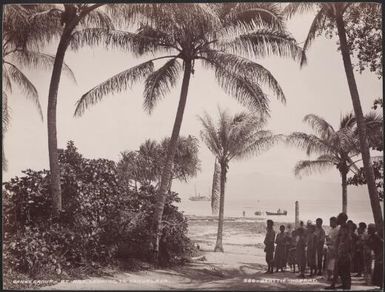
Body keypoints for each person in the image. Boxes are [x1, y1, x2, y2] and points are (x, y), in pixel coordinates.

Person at [326, 212, 352, 290]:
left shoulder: (346, 228)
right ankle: (338, 285)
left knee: (344, 270)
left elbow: (347, 240)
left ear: (342, 219)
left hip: (344, 252)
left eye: (339, 218)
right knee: (338, 269)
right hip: (340, 251)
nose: (337, 219)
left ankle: (346, 286)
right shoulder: (342, 227)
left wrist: (344, 251)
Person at [367, 224, 383, 288]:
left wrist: (380, 256)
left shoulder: (377, 237)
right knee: (377, 270)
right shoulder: (371, 237)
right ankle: (380, 285)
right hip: (377, 255)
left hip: (380, 255)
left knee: (379, 271)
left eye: (369, 229)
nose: (368, 230)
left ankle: (381, 286)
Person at [325, 217, 339, 281]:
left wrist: (329, 239)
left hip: (334, 248)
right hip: (329, 247)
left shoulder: (337, 230)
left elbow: (336, 240)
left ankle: (333, 276)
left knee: (333, 263)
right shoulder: (331, 229)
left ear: (335, 222)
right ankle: (329, 276)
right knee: (328, 262)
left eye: (331, 222)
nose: (330, 223)